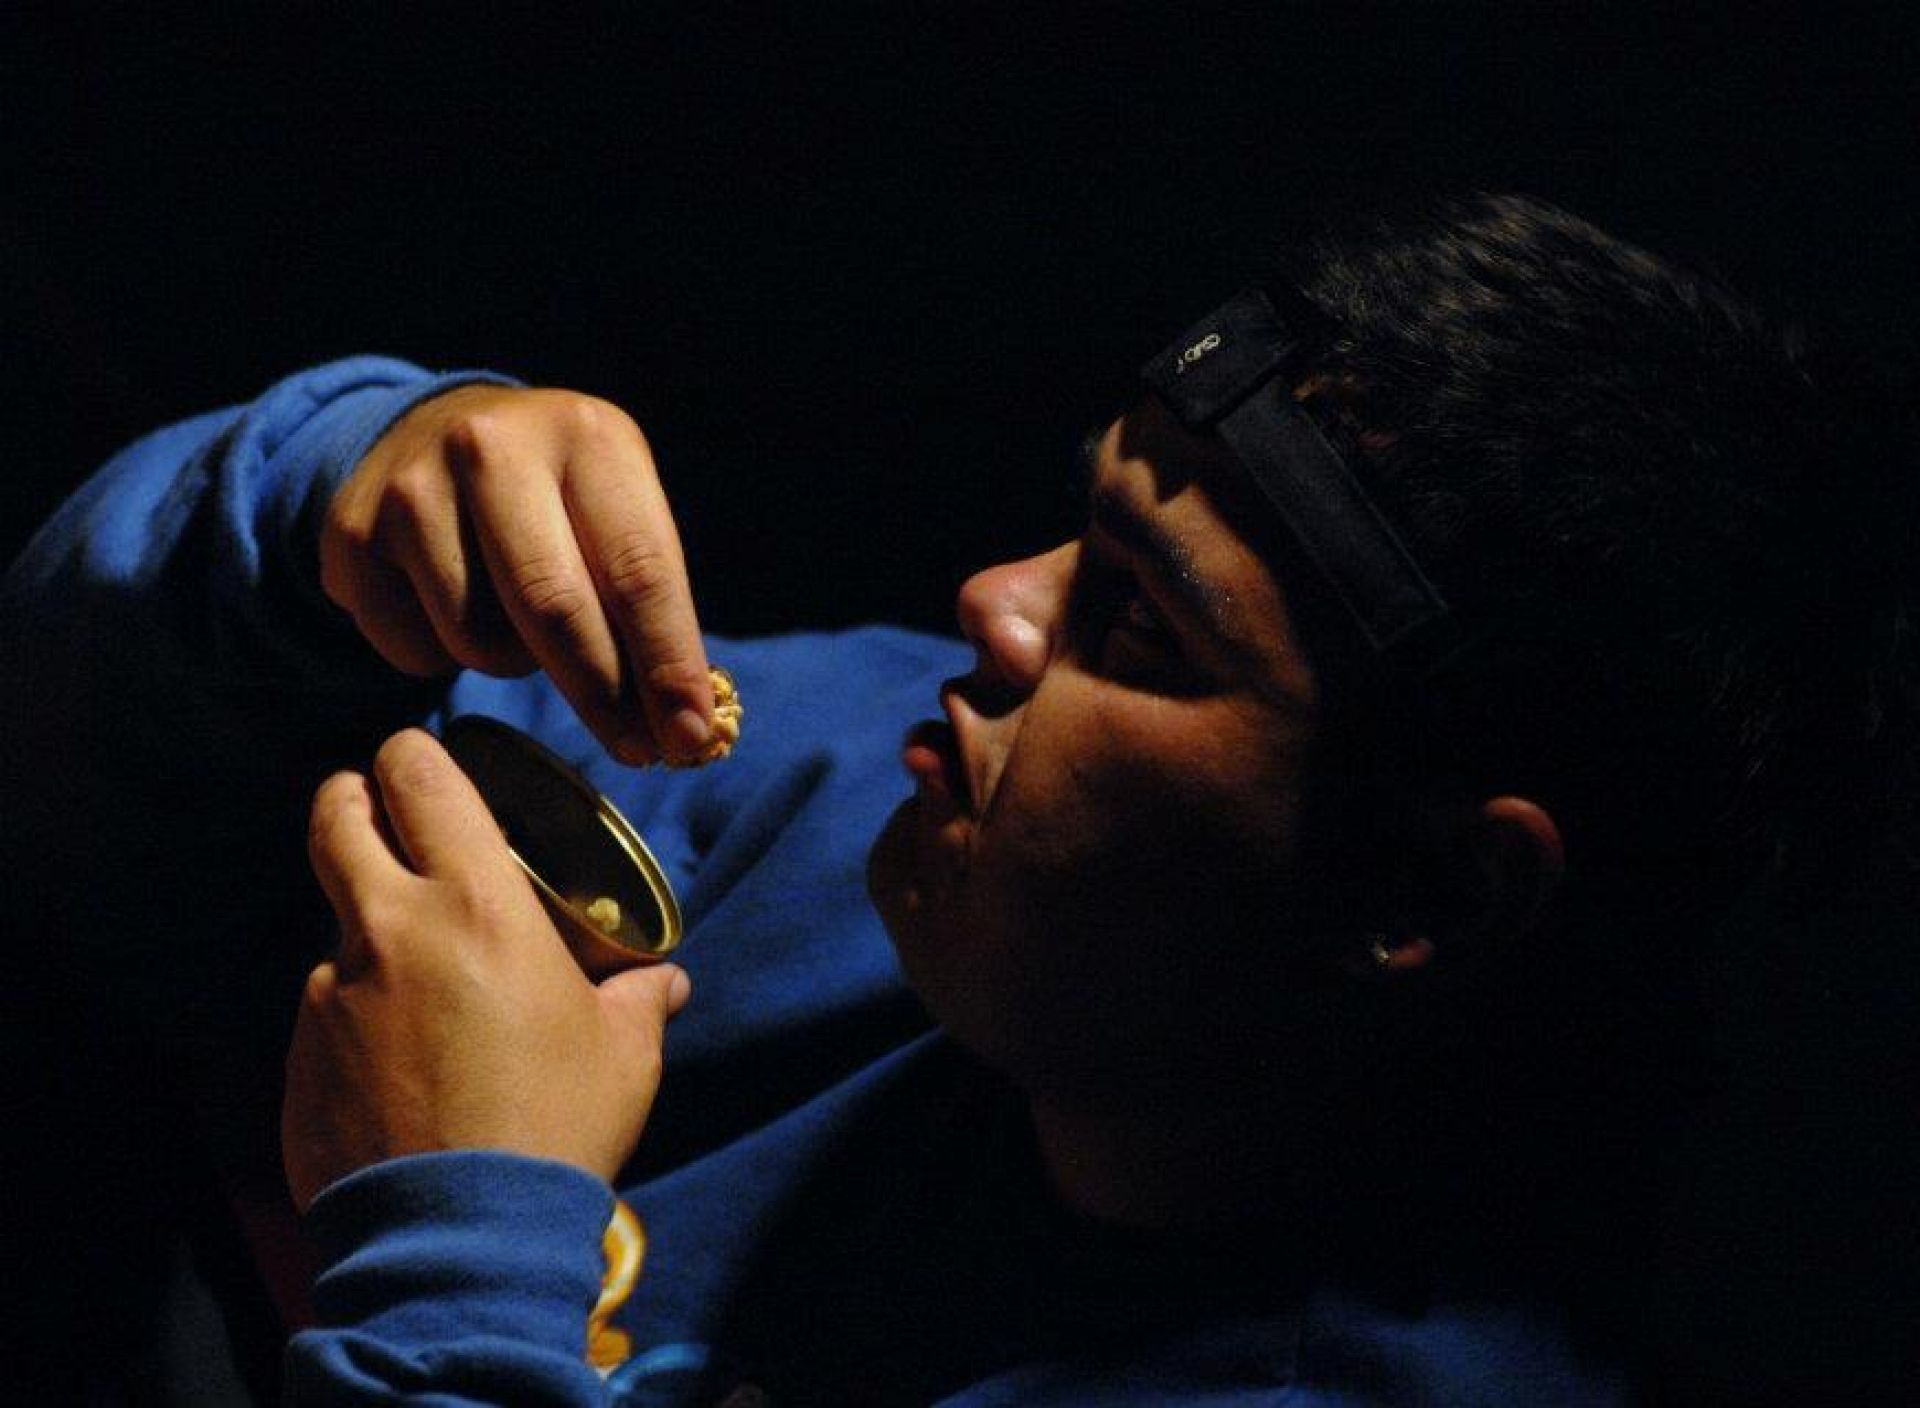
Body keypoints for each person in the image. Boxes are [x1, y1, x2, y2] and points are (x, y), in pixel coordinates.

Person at [3, 193, 1914, 1405]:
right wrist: (326, 516)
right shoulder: (883, 795)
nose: (994, 605)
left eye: (1141, 625)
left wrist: (456, 1247)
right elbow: (93, 823)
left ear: (1425, 897)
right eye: (1084, 524)